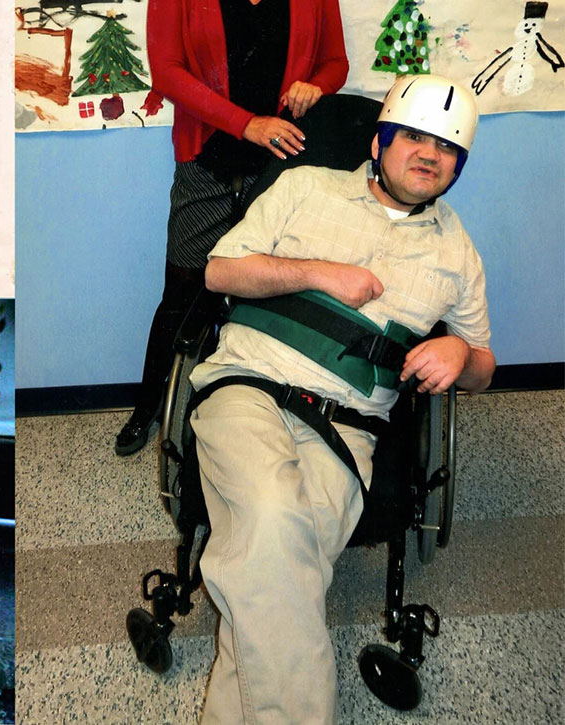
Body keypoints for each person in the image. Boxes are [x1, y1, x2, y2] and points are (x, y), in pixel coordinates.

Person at [187, 75, 494, 722]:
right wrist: (318, 273)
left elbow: (483, 366)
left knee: (274, 573)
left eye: (446, 147)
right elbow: (219, 268)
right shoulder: (304, 187)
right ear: (381, 138)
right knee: (272, 520)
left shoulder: (457, 252)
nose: (428, 154)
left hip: (347, 427)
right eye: (413, 135)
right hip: (248, 386)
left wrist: (461, 355)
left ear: (457, 164)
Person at [116, 0, 349, 455]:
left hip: (287, 171)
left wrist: (316, 88)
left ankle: (260, 408)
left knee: (275, 286)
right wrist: (246, 122)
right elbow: (165, 71)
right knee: (185, 290)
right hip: (208, 162)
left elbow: (336, 61)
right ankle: (147, 408)